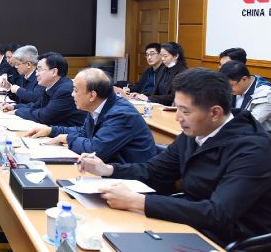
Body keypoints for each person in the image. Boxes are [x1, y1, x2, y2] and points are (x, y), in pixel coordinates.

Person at [77, 68, 271, 246]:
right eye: (176, 108)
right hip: (191, 222)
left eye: (185, 111)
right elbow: (154, 171)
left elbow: (218, 213)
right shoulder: (195, 132)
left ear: (215, 113)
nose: (178, 117)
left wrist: (138, 202)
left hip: (232, 237)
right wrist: (108, 169)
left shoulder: (253, 150)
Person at [28, 68, 157, 163]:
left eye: (76, 90)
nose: (72, 94)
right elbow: (84, 132)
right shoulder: (99, 104)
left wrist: (67, 138)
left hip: (131, 179)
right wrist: (51, 130)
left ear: (92, 95)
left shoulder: (121, 114)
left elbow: (96, 150)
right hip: (110, 168)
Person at [220, 60, 271, 131]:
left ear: (244, 79)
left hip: (260, 134)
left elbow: (249, 124)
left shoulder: (266, 94)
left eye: (230, 85)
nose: (227, 89)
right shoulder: (237, 87)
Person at [132, 41, 187, 106]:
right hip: (157, 104)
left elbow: (174, 96)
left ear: (175, 56)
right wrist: (141, 96)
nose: (162, 59)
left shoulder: (182, 72)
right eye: (161, 56)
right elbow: (155, 91)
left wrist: (149, 98)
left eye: (165, 56)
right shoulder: (163, 69)